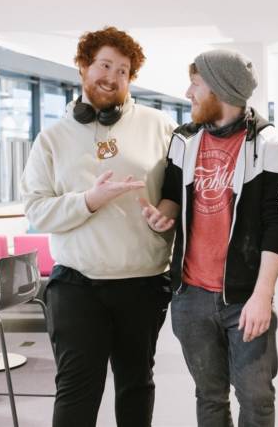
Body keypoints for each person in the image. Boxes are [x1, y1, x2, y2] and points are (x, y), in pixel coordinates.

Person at [20, 26, 175, 427]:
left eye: (123, 71)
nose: (112, 77)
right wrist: (89, 200)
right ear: (83, 67)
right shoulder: (52, 138)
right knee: (76, 390)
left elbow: (178, 192)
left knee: (136, 385)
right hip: (78, 285)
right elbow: (36, 210)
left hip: (142, 282)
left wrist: (167, 215)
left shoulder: (159, 126)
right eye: (104, 65)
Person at [141, 49, 278, 426]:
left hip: (245, 296)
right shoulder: (184, 139)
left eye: (195, 84)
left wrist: (262, 296)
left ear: (219, 89)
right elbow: (173, 195)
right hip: (191, 295)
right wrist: (163, 214)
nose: (188, 93)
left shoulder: (270, 145)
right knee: (209, 395)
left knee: (256, 398)